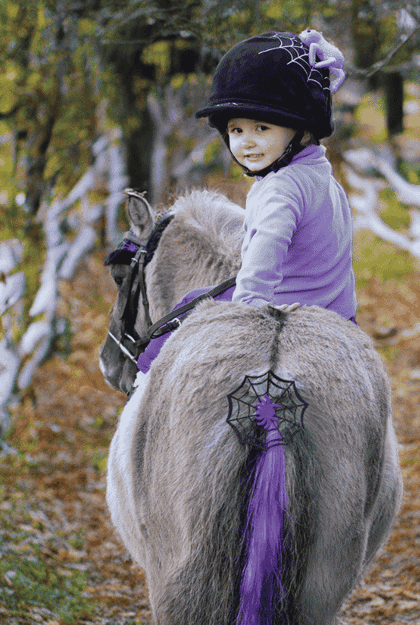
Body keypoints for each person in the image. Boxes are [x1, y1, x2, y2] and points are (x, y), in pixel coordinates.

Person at [136, 30, 356, 374]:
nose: (246, 143)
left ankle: (144, 385)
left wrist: (249, 308)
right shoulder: (323, 177)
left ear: (300, 127)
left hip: (282, 310)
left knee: (180, 314)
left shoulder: (279, 190)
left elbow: (266, 248)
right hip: (339, 313)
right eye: (236, 131)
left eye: (262, 128)